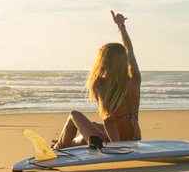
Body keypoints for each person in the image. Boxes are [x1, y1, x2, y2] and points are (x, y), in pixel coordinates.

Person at [54, 10, 141, 149]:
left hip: (114, 141)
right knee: (94, 126)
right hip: (135, 139)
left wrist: (118, 148)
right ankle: (70, 143)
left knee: (73, 115)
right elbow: (129, 50)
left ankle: (58, 146)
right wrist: (121, 26)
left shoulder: (101, 83)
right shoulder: (135, 79)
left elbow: (109, 121)